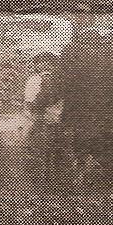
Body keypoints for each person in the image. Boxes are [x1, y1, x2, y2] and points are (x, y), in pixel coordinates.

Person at [50, 23, 113, 193]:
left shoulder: (71, 51)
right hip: (107, 114)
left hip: (78, 113)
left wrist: (44, 102)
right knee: (109, 151)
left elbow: (60, 83)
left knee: (79, 148)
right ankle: (112, 188)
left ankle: (77, 188)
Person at [23, 50, 74, 196]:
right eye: (41, 66)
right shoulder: (63, 79)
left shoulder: (39, 80)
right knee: (59, 153)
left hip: (44, 121)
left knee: (42, 152)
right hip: (58, 121)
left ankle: (44, 187)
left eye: (46, 66)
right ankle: (59, 186)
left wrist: (32, 112)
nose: (44, 69)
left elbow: (33, 102)